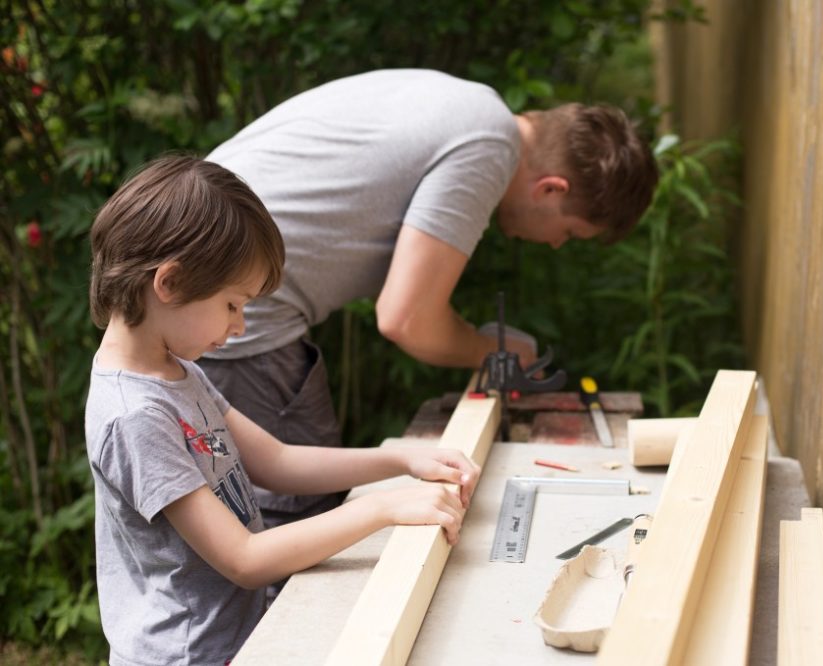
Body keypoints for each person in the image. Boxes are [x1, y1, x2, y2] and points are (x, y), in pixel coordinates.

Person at [197, 68, 659, 531]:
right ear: (552, 189)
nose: (558, 244)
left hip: (205, 277)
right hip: (233, 312)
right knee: (296, 512)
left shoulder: (469, 104)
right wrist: (495, 351)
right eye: (570, 232)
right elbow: (406, 320)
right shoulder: (489, 146)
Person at [85, 155, 480, 664]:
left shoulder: (177, 372)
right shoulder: (135, 417)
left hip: (233, 641)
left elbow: (275, 460)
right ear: (171, 283)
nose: (240, 325)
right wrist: (381, 508)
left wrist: (400, 460)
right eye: (233, 304)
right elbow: (244, 560)